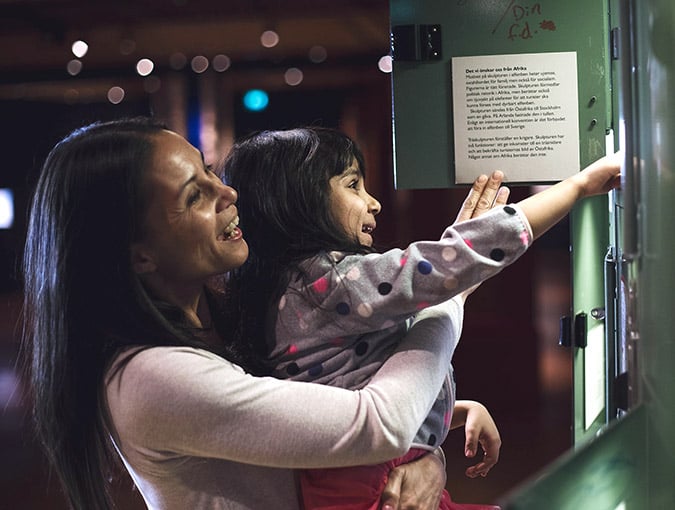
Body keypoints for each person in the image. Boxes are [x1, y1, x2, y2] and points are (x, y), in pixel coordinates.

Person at [21, 117, 509, 510]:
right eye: (195, 195)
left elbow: (324, 424)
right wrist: (448, 297)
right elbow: (378, 426)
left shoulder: (232, 315)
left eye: (210, 173)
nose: (228, 194)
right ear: (138, 254)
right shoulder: (148, 376)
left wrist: (429, 452)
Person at [222, 127, 622, 510]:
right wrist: (577, 187)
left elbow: (361, 384)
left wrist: (451, 411)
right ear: (300, 201)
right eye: (352, 184)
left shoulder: (284, 292)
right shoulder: (330, 283)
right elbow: (443, 265)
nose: (373, 202)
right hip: (368, 486)